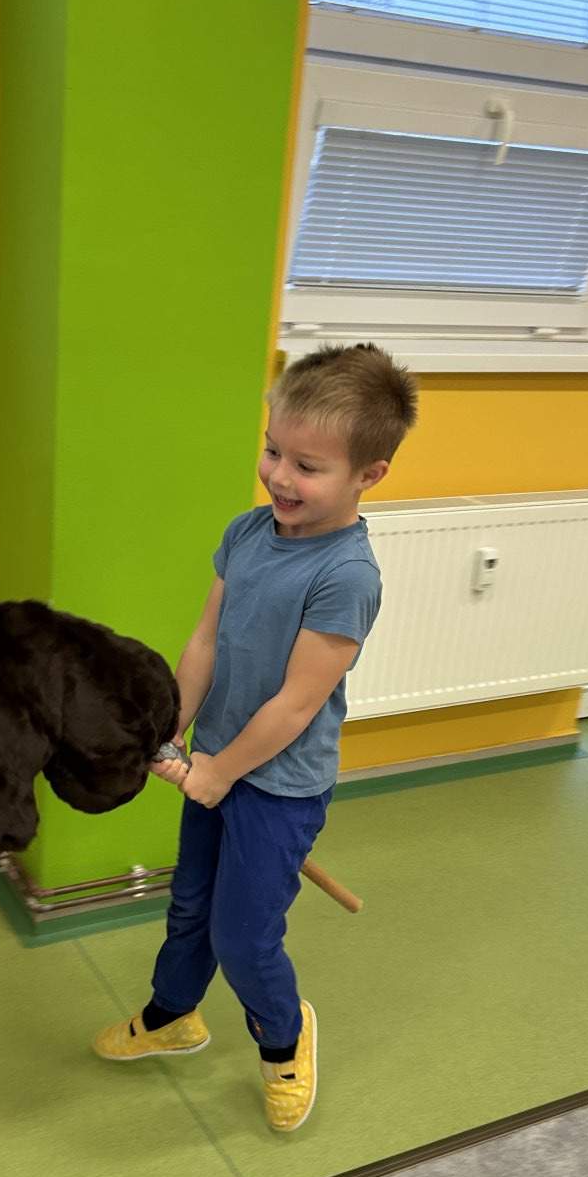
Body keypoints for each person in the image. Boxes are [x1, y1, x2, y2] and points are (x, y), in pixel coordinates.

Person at [93, 345, 416, 1131]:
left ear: (368, 475)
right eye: (273, 451)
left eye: (308, 466)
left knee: (243, 937)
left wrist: (220, 771)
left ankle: (284, 1039)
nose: (279, 476)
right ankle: (173, 1015)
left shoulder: (346, 575)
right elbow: (206, 641)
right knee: (190, 907)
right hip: (215, 761)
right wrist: (172, 721)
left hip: (279, 786)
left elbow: (297, 705)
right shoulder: (245, 533)